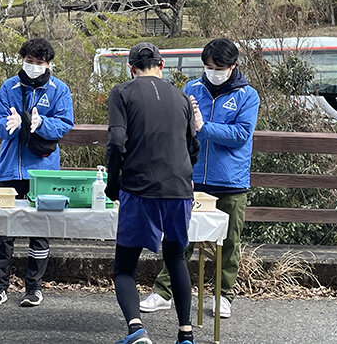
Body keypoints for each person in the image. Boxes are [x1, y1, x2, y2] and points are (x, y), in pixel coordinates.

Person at [139, 38, 260, 320]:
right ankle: (163, 291)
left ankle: (223, 295)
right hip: (190, 178)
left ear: (233, 66)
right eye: (207, 67)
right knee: (179, 238)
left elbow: (241, 135)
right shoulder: (192, 89)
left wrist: (204, 128)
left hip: (230, 181)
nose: (212, 72)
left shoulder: (247, 95)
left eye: (218, 67)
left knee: (228, 241)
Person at [106, 42, 200, 344]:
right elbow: (192, 146)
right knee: (175, 259)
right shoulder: (182, 96)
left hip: (140, 188)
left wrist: (112, 181)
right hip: (179, 190)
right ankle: (185, 333)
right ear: (161, 66)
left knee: (125, 267)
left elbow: (116, 140)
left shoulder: (122, 93)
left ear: (131, 68)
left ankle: (136, 329)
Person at [0, 37, 74, 308]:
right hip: (11, 167)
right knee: (4, 230)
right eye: (29, 61)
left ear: (49, 64)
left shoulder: (59, 90)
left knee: (39, 229)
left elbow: (64, 125)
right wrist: (8, 125)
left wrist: (41, 123)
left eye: (39, 63)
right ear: (22, 59)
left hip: (43, 171)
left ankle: (33, 287)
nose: (33, 67)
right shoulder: (9, 86)